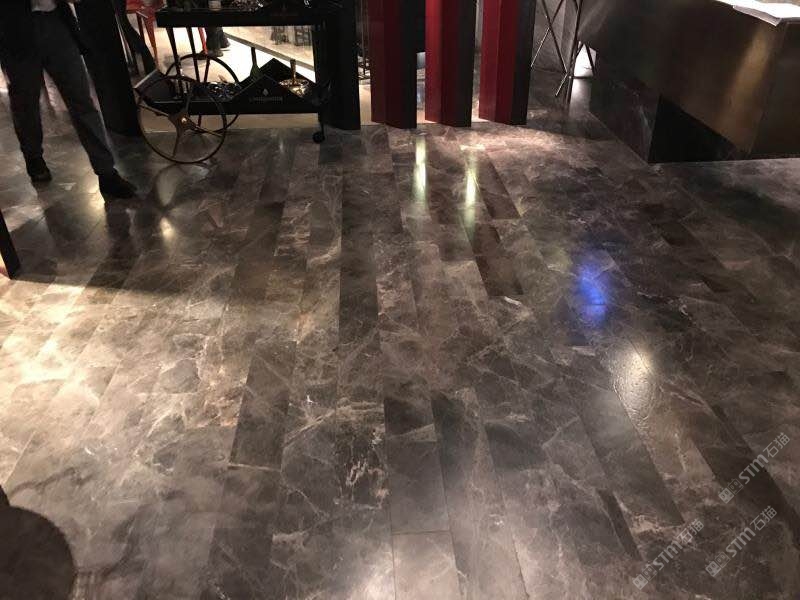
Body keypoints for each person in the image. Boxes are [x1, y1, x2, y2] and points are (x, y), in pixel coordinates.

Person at [0, 0, 136, 198]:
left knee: (82, 101)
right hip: (14, 29)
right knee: (25, 104)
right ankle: (33, 155)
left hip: (56, 22)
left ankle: (106, 172)